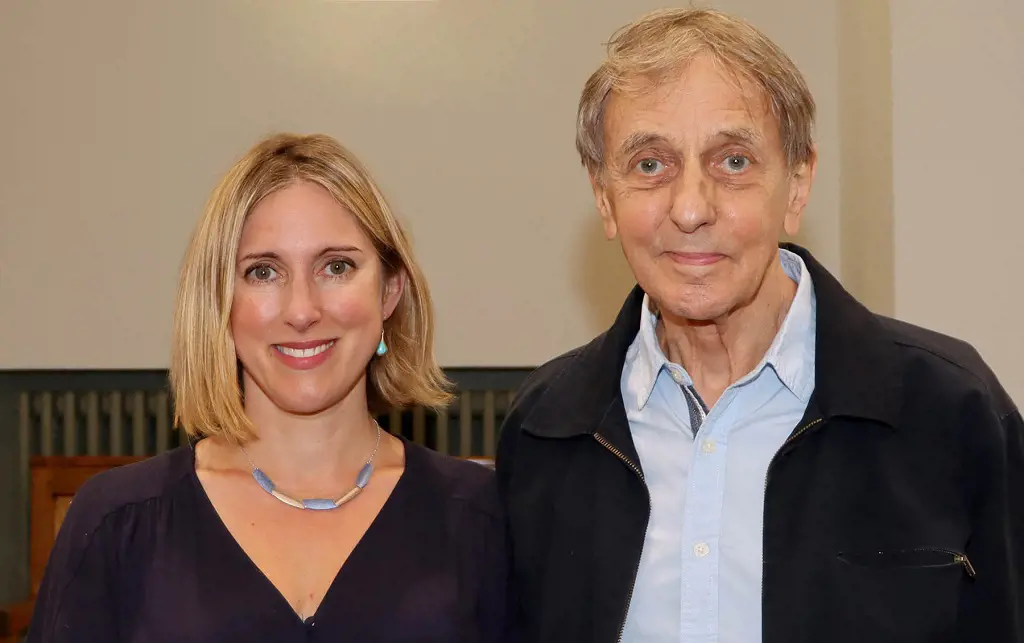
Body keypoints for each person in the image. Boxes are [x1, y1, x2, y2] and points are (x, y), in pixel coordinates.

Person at [496, 8, 1023, 643]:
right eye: (650, 165)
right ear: (605, 198)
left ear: (798, 184)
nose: (690, 208)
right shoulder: (544, 434)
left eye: (735, 161)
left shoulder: (951, 412)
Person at [28, 133, 513, 642]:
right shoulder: (117, 522)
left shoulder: (479, 518)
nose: (302, 310)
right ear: (220, 300)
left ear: (389, 290)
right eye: (263, 272)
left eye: (337, 267)